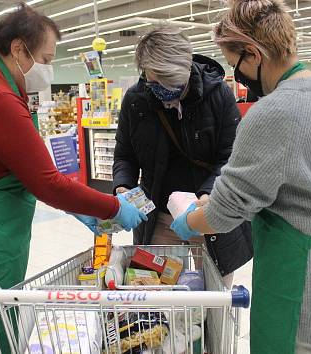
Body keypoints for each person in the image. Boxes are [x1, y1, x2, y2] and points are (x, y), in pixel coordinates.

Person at [0, 4, 146, 354]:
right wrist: (113, 207)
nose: (48, 69)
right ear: (19, 49)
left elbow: (15, 167)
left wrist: (77, 207)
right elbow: (46, 182)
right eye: (47, 59)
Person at [169, 0, 311, 353]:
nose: (234, 73)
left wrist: (190, 219)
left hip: (299, 286)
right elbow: (305, 185)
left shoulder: (273, 112)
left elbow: (223, 215)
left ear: (253, 54)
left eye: (233, 63)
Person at [113, 26, 252, 287]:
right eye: (155, 82)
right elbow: (125, 155)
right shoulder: (136, 100)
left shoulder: (219, 95)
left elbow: (231, 156)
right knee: (155, 291)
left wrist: (208, 196)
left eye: (171, 82)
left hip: (209, 215)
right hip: (159, 217)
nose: (163, 89)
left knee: (215, 298)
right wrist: (123, 188)